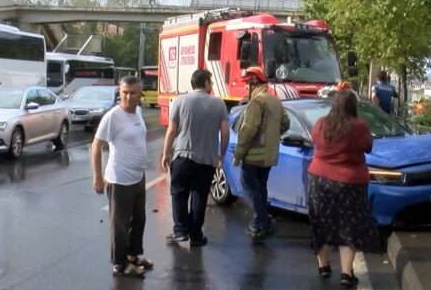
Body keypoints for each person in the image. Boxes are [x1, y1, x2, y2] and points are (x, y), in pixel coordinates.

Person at [307, 88, 380, 287]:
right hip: (350, 182)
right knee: (349, 225)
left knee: (321, 221)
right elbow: (368, 146)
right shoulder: (359, 126)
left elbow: (314, 139)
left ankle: (323, 266)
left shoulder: (322, 123)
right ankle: (347, 274)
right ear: (352, 106)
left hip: (320, 179)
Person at [161, 69, 229, 247]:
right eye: (211, 82)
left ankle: (180, 231)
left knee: (179, 192)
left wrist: (166, 153)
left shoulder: (179, 101)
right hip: (207, 160)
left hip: (183, 156)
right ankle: (196, 235)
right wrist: (221, 154)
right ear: (205, 82)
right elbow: (225, 131)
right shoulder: (219, 104)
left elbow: (171, 130)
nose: (212, 85)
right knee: (200, 195)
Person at [92, 76, 151, 277]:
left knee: (139, 219)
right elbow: (96, 145)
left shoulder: (139, 113)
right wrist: (98, 177)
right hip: (119, 178)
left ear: (140, 94)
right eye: (124, 92)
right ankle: (119, 263)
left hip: (138, 176)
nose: (127, 96)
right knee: (120, 223)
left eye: (132, 93)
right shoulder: (113, 116)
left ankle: (133, 256)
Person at [233, 66, 290, 243]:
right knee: (261, 187)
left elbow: (248, 131)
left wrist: (238, 154)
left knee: (248, 187)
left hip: (253, 157)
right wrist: (273, 134)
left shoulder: (256, 103)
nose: (246, 88)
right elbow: (286, 124)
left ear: (254, 83)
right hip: (269, 156)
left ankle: (261, 220)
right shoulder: (275, 101)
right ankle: (262, 223)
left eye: (247, 84)